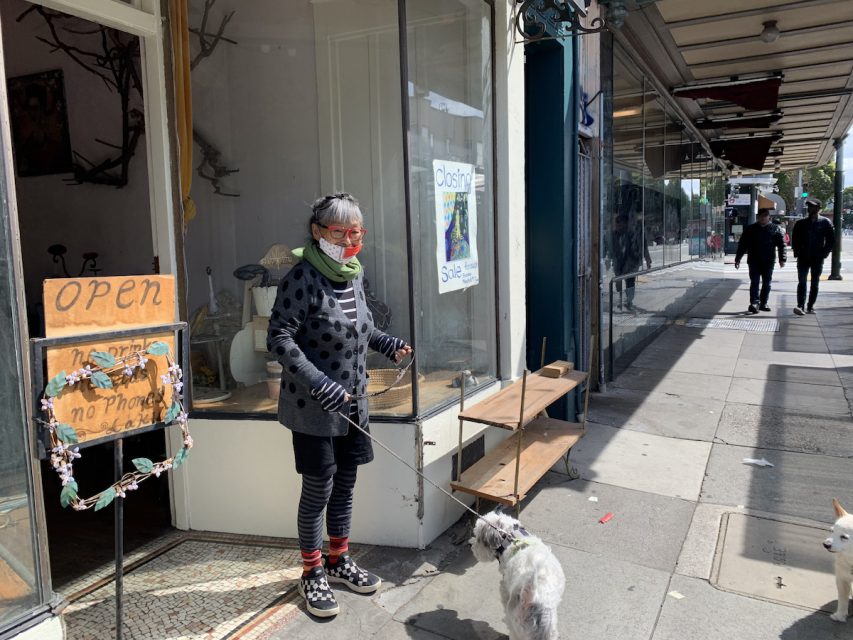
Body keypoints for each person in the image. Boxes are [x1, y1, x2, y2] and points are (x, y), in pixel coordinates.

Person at [267, 193, 412, 618]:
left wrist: (390, 345)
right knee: (319, 489)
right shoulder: (301, 279)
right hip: (313, 407)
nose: (350, 241)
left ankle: (338, 559)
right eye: (341, 232)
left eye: (356, 233)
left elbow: (360, 329)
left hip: (353, 405)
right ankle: (311, 572)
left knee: (345, 486)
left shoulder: (351, 275)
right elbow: (280, 339)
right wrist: (319, 383)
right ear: (317, 232)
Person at [734, 208, 786, 313]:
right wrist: (738, 259)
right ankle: (754, 302)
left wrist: (782, 259)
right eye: (760, 216)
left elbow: (782, 245)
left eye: (764, 216)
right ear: (758, 217)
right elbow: (743, 245)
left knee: (767, 283)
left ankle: (763, 303)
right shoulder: (750, 229)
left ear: (769, 217)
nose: (762, 218)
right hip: (754, 260)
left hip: (768, 261)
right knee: (755, 282)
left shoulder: (775, 229)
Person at [791, 197, 835, 315]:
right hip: (803, 257)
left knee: (815, 283)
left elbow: (831, 240)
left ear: (818, 208)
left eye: (812, 206)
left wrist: (824, 253)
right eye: (809, 206)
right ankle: (800, 305)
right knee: (802, 282)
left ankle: (810, 306)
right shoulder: (801, 223)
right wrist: (797, 252)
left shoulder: (825, 222)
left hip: (817, 257)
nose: (810, 208)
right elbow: (794, 239)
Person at [606, 214, 652, 311]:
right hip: (618, 263)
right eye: (617, 224)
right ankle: (621, 298)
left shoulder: (631, 234)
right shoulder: (614, 235)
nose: (618, 227)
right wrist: (608, 258)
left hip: (630, 263)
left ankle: (629, 301)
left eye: (620, 224)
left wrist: (647, 260)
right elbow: (610, 247)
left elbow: (643, 247)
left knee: (630, 282)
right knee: (618, 281)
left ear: (625, 224)